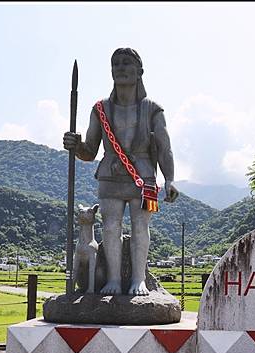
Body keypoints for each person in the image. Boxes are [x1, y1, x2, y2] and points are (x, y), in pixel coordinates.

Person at [63, 48, 178, 296]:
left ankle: (139, 279)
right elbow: (89, 151)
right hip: (110, 175)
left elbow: (164, 147)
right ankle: (113, 280)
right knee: (110, 227)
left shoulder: (153, 109)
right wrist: (76, 145)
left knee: (140, 226)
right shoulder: (100, 109)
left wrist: (169, 179)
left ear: (139, 71)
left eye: (127, 63)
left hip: (144, 178)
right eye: (115, 64)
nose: (121, 68)